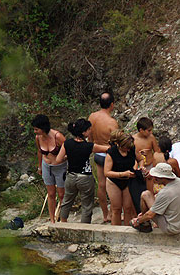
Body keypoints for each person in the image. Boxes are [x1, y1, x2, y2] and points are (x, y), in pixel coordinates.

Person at [54, 119, 109, 223]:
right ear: (84, 132)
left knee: (67, 201)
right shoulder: (88, 146)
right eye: (88, 129)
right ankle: (84, 226)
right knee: (87, 205)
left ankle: (63, 222)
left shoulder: (67, 143)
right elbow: (105, 149)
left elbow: (58, 160)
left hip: (70, 176)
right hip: (85, 177)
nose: (90, 131)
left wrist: (68, 156)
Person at [132, 163, 180, 235]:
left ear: (160, 178)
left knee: (146, 194)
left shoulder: (165, 192)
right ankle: (144, 220)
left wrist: (138, 221)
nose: (153, 178)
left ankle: (144, 224)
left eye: (155, 176)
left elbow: (150, 215)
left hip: (172, 228)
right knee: (153, 198)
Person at [88, 92, 119, 223]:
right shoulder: (112, 123)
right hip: (109, 155)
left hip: (97, 152)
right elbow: (117, 143)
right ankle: (112, 213)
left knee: (101, 185)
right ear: (112, 105)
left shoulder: (92, 117)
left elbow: (89, 138)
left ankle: (105, 214)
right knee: (113, 184)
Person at [33, 114, 67, 223]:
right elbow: (39, 151)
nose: (35, 131)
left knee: (61, 194)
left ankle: (63, 218)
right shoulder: (38, 138)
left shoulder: (58, 136)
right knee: (51, 193)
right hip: (46, 165)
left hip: (60, 167)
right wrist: (39, 166)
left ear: (43, 128)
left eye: (36, 129)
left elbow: (69, 149)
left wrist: (62, 158)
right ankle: (52, 219)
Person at [104, 130, 138, 226]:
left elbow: (140, 159)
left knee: (128, 208)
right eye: (125, 148)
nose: (127, 150)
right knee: (116, 208)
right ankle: (115, 231)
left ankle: (127, 229)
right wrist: (122, 174)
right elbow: (106, 172)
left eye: (128, 148)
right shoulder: (111, 152)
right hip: (114, 181)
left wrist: (138, 168)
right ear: (119, 145)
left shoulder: (132, 149)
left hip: (128, 181)